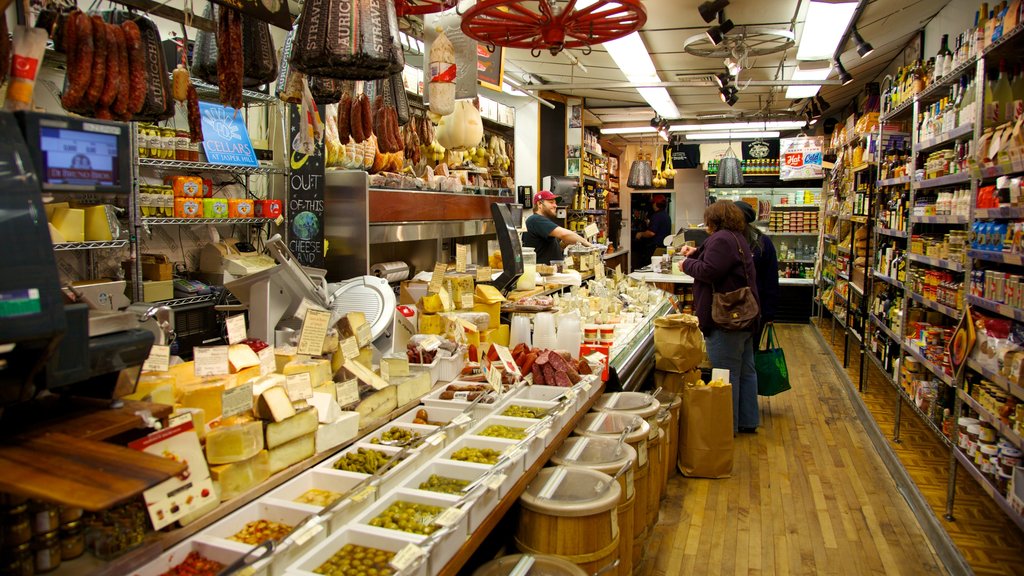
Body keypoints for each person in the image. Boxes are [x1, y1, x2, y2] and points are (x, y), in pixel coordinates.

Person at [680, 200, 761, 434]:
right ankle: (747, 420)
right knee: (746, 371)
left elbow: (710, 271)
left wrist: (686, 264)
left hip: (726, 319)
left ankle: (727, 427)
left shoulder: (721, 238)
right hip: (744, 315)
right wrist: (696, 254)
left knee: (726, 374)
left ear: (713, 219)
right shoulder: (737, 237)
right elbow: (720, 263)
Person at [733, 200, 780, 343]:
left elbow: (771, 278)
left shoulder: (762, 243)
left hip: (754, 307)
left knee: (750, 348)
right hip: (732, 307)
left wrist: (769, 311)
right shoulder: (727, 239)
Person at [522, 190, 592, 264]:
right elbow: (564, 234)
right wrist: (589, 245)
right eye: (551, 202)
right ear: (539, 204)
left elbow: (547, 250)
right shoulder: (536, 220)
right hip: (542, 273)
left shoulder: (541, 221)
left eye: (555, 203)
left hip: (549, 271)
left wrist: (564, 244)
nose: (555, 205)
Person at [635, 194, 671, 267]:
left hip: (655, 249)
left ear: (655, 204)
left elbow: (651, 233)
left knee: (650, 267)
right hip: (663, 248)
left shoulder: (656, 216)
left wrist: (640, 234)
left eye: (653, 203)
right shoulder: (666, 215)